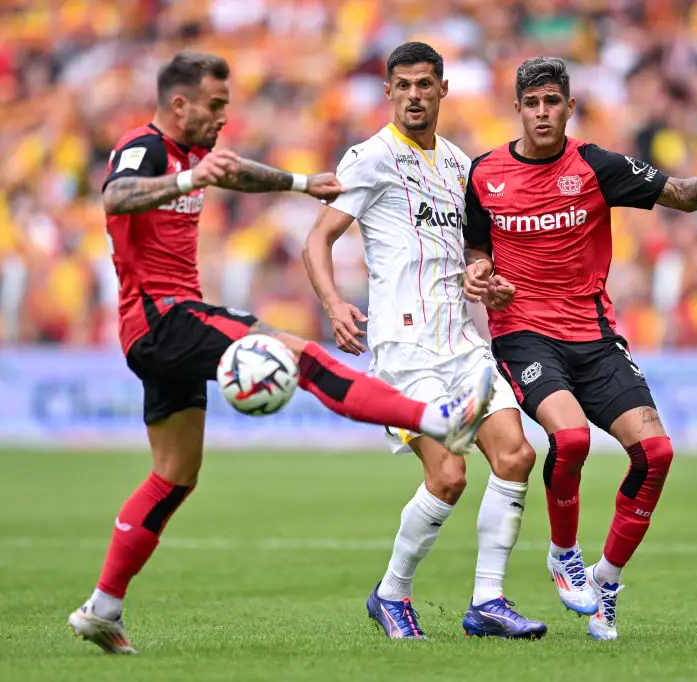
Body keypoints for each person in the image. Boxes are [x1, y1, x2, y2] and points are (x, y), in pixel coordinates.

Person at [67, 51, 495, 655]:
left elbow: (233, 171)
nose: (223, 116)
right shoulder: (145, 146)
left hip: (152, 335)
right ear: (180, 104)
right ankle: (436, 419)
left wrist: (299, 184)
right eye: (215, 105)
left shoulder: (196, 153)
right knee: (300, 355)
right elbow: (117, 197)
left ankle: (101, 608)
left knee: (174, 475)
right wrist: (190, 179)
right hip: (164, 316)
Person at [461, 56, 697, 640]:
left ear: (570, 106)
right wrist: (482, 275)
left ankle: (607, 578)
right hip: (523, 332)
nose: (543, 112)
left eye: (553, 102)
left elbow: (684, 196)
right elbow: (475, 249)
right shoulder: (484, 173)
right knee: (570, 438)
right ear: (518, 108)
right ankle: (564, 553)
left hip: (594, 335)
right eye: (532, 103)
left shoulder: (596, 166)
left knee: (657, 454)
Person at [303, 42, 545, 640]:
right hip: (405, 351)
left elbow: (472, 254)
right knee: (450, 476)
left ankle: (488, 601)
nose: (414, 94)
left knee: (516, 456)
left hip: (461, 343)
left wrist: (484, 278)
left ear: (442, 90)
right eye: (403, 85)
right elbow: (318, 239)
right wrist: (334, 304)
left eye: (424, 84)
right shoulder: (370, 158)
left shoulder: (460, 165)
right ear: (389, 92)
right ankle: (391, 594)